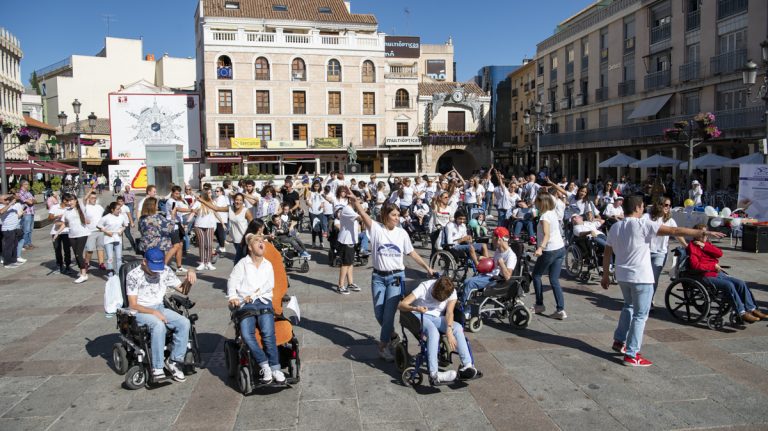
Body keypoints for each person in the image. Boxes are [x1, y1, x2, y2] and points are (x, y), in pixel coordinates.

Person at [601, 196, 726, 367]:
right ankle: (632, 353)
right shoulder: (642, 224)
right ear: (638, 207)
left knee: (628, 306)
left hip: (623, 275)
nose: (643, 209)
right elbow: (674, 231)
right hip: (640, 277)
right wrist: (702, 233)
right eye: (642, 206)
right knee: (640, 315)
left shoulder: (616, 226)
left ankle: (619, 340)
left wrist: (606, 274)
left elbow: (607, 251)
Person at [349, 197, 433, 360]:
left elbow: (412, 253)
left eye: (398, 215)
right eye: (393, 215)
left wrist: (427, 267)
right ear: (385, 215)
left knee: (388, 315)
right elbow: (362, 213)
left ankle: (382, 346)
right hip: (378, 278)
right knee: (379, 315)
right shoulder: (376, 229)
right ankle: (393, 337)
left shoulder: (402, 233)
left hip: (396, 277)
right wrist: (355, 201)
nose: (397, 218)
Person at [126, 247, 196, 382]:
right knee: (158, 325)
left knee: (184, 322)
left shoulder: (165, 270)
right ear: (144, 262)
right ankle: (157, 366)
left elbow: (183, 290)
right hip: (140, 310)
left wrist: (189, 277)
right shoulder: (133, 275)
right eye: (153, 268)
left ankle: (174, 361)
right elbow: (133, 304)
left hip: (159, 307)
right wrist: (154, 312)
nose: (156, 272)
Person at [398, 276, 480, 385]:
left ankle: (468, 366)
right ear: (434, 289)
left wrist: (449, 330)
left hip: (436, 317)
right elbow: (401, 305)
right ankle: (434, 374)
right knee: (433, 332)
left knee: (458, 327)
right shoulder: (425, 287)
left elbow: (449, 312)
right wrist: (415, 308)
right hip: (419, 315)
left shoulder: (451, 292)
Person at [227, 233, 286, 384]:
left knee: (268, 333)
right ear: (250, 248)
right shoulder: (242, 264)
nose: (262, 244)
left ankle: (275, 368)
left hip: (263, 301)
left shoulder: (268, 265)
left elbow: (269, 285)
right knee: (247, 334)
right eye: (257, 242)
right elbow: (232, 282)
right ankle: (264, 364)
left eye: (262, 242)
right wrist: (233, 296)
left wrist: (254, 295)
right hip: (245, 304)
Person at [687, 224, 768, 324]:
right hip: (704, 275)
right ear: (695, 234)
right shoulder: (692, 246)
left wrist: (705, 246)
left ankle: (752, 309)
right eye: (702, 234)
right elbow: (695, 265)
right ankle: (742, 312)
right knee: (728, 285)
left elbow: (719, 253)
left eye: (706, 234)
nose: (704, 236)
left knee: (741, 283)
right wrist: (713, 266)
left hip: (716, 273)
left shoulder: (707, 244)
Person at [643, 198, 686, 305]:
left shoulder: (669, 220)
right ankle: (639, 298)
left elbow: (677, 233)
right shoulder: (647, 217)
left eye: (669, 205)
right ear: (659, 204)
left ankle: (649, 300)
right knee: (642, 278)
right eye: (665, 205)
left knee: (654, 278)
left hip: (660, 253)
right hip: (645, 251)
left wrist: (686, 246)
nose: (667, 207)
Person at [531, 193, 567, 319]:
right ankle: (560, 309)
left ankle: (539, 304)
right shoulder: (552, 213)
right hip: (560, 248)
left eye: (536, 202)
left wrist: (540, 248)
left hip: (549, 250)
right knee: (554, 279)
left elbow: (546, 234)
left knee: (536, 275)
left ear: (542, 203)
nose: (535, 204)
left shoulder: (545, 217)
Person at [461, 227, 517, 305]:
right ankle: (465, 301)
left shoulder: (511, 255)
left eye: (493, 238)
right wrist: (485, 258)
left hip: (497, 280)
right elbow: (494, 263)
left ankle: (464, 309)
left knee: (470, 283)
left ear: (499, 239)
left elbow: (508, 276)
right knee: (466, 281)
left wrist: (501, 263)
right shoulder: (498, 250)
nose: (492, 240)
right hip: (490, 275)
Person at [56, 193, 91, 283]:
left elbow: (85, 198)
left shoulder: (81, 208)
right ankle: (82, 272)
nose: (69, 202)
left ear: (76, 200)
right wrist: (57, 232)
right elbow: (64, 223)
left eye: (71, 200)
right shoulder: (66, 211)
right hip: (72, 234)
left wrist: (91, 189)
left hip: (82, 233)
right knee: (76, 255)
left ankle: (83, 274)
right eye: (68, 201)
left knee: (79, 253)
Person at [191, 189, 219, 271]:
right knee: (202, 244)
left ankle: (209, 262)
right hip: (199, 225)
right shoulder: (198, 202)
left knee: (209, 245)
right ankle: (203, 262)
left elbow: (216, 211)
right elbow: (192, 210)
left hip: (210, 226)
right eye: (208, 193)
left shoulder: (212, 202)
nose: (210, 194)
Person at [97, 202, 127, 276]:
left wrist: (122, 230)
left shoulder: (122, 216)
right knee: (110, 257)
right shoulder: (106, 217)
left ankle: (118, 272)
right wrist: (107, 232)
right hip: (108, 238)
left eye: (119, 209)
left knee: (119, 257)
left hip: (117, 238)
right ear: (112, 210)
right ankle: (110, 272)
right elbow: (98, 226)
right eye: (117, 209)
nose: (119, 211)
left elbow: (125, 225)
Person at [48, 195, 72, 274]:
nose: (69, 202)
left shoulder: (70, 208)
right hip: (55, 231)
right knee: (57, 249)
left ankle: (68, 266)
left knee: (67, 250)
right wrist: (58, 216)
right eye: (68, 200)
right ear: (64, 201)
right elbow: (50, 218)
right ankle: (59, 265)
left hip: (66, 231)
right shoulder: (55, 207)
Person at [0, 193, 25, 268]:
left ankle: (13, 260)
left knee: (14, 245)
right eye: (5, 199)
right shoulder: (1, 206)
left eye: (8, 199)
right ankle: (7, 263)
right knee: (8, 246)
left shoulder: (12, 206)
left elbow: (17, 215)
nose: (7, 201)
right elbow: (1, 212)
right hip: (7, 229)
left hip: (14, 228)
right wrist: (10, 203)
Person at [83, 193, 106, 271]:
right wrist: (91, 190)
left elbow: (105, 215)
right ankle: (86, 263)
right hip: (90, 231)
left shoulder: (99, 207)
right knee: (89, 249)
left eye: (95, 198)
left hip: (100, 230)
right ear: (89, 198)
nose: (94, 199)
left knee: (100, 248)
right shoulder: (86, 207)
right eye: (92, 198)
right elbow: (84, 199)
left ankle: (101, 263)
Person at [229, 193, 253, 263]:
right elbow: (216, 208)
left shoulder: (246, 211)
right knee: (243, 260)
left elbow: (253, 223)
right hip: (235, 239)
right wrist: (202, 201)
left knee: (238, 261)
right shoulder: (230, 208)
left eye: (240, 200)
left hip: (243, 240)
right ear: (234, 200)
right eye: (236, 199)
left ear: (243, 201)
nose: (238, 201)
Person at [17, 180, 36, 250]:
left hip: (32, 212)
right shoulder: (20, 193)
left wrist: (31, 200)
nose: (28, 185)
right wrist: (30, 200)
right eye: (26, 184)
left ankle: (29, 243)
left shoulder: (28, 192)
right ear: (22, 185)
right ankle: (25, 244)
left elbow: (34, 201)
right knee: (26, 229)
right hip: (26, 213)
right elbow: (29, 202)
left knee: (30, 229)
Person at [306, 181, 326, 248]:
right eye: (315, 186)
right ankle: (313, 243)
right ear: (313, 186)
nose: (316, 187)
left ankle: (321, 242)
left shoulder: (322, 192)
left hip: (320, 212)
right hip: (312, 212)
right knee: (314, 228)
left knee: (320, 227)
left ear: (320, 186)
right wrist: (309, 204)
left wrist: (322, 206)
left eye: (317, 186)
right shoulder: (310, 192)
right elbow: (307, 201)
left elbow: (323, 202)